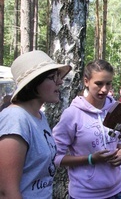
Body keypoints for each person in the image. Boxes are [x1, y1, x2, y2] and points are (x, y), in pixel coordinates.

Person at [0, 50, 71, 198]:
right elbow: (7, 191)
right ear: (33, 84)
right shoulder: (15, 119)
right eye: (52, 77)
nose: (59, 82)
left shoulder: (39, 116)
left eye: (58, 76)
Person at [52, 60, 121, 199]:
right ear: (86, 81)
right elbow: (55, 157)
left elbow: (118, 140)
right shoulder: (72, 114)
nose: (104, 89)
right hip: (85, 194)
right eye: (99, 83)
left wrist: (120, 151)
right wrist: (90, 159)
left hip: (118, 190)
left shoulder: (116, 109)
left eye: (108, 83)